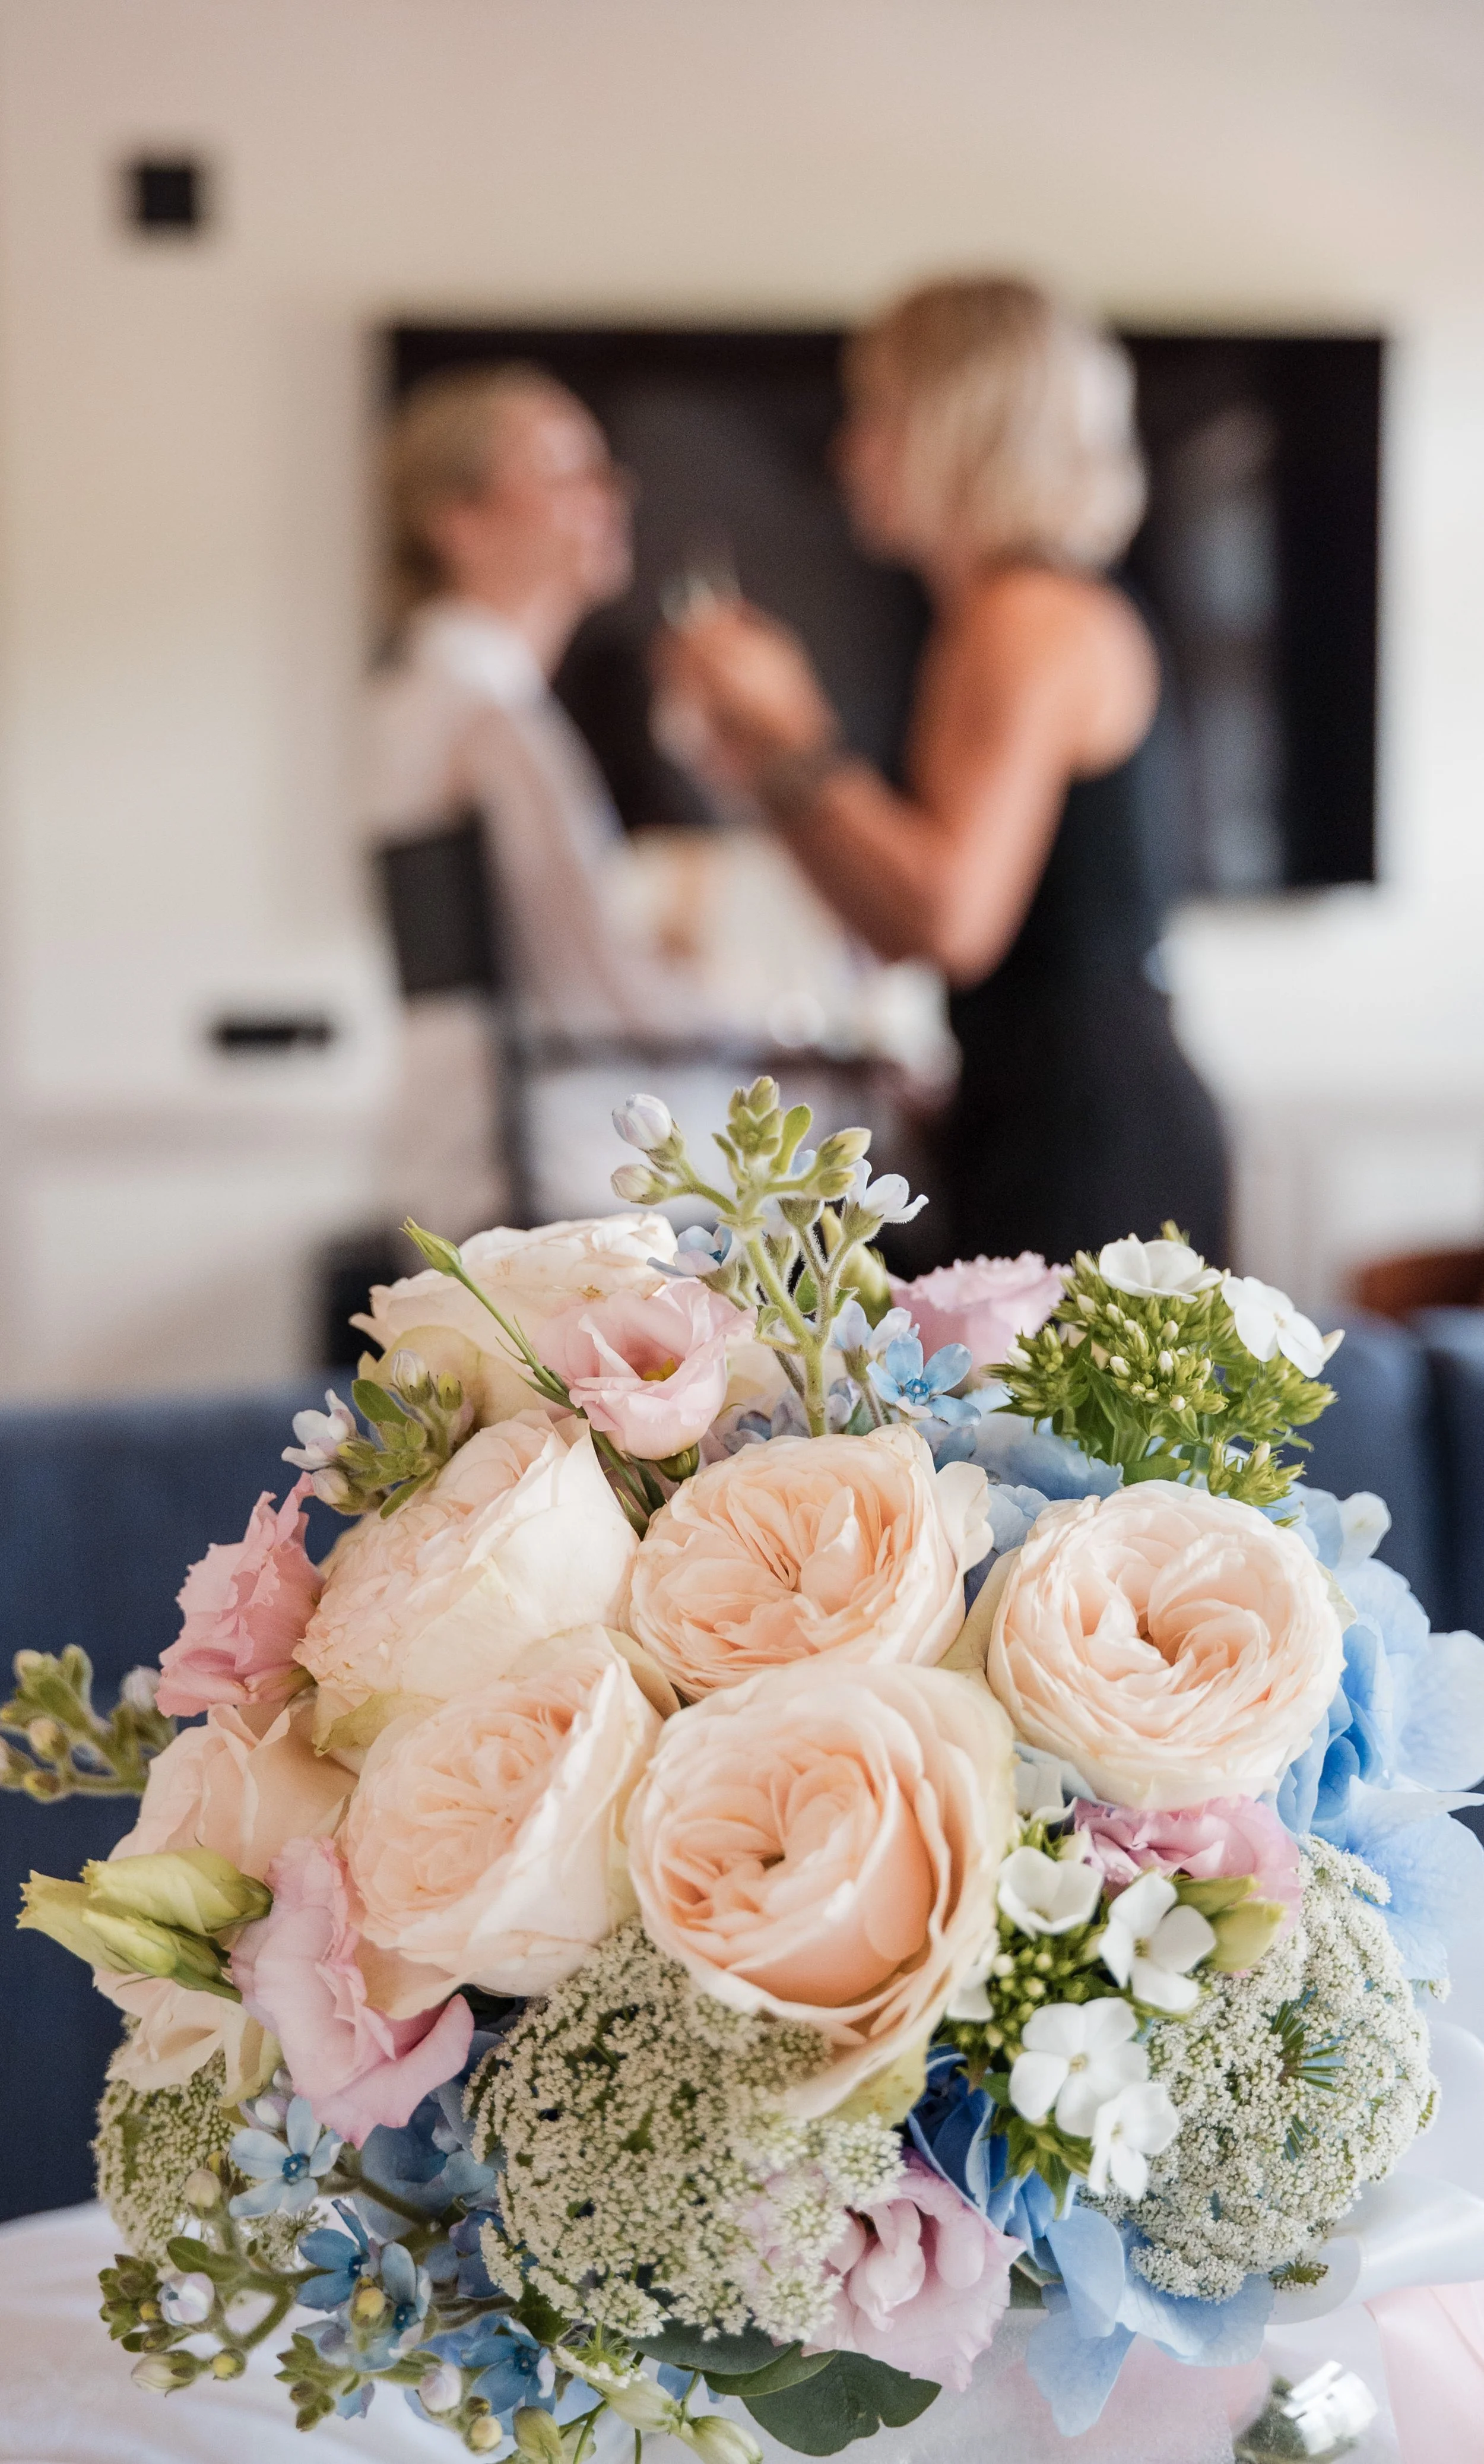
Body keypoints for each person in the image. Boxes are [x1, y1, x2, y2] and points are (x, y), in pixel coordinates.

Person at [653, 277, 1228, 1268]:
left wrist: (792, 731)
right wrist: (763, 756)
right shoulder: (1002, 614)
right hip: (1037, 1110)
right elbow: (894, 926)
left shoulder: (1024, 617)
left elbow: (951, 921)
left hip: (1088, 1132)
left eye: (877, 415)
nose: (849, 450)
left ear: (960, 429)